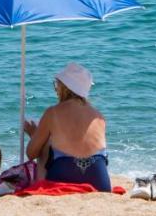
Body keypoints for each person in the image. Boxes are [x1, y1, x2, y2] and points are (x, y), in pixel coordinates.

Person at [23, 62, 111, 191]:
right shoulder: (99, 116)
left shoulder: (52, 113)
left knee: (44, 146)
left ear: (64, 87)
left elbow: (31, 153)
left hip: (63, 175)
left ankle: (39, 184)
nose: (56, 89)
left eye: (57, 84)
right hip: (99, 182)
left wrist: (33, 134)